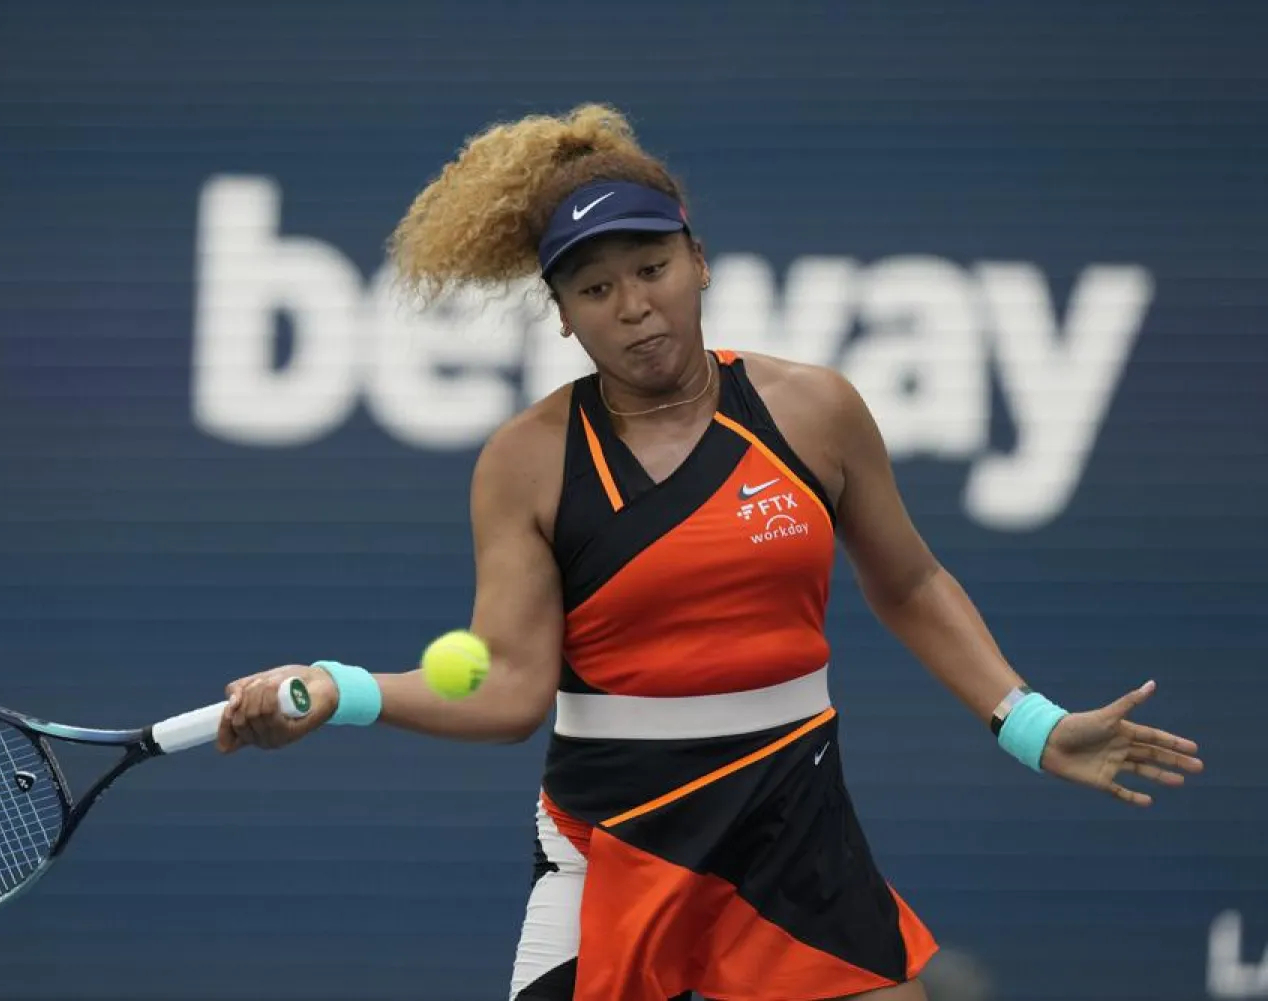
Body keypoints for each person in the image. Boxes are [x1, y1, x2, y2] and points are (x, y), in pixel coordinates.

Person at [213, 104, 1204, 1001]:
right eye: (597, 288)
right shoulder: (525, 462)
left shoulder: (813, 411)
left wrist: (1028, 723)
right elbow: (512, 689)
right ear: (562, 313)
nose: (635, 305)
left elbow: (908, 580)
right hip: (613, 848)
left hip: (794, 836)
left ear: (699, 261)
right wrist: (342, 688)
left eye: (651, 269)